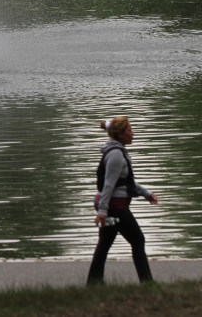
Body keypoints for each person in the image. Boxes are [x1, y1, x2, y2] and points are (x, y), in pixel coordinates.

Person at [86, 115, 159, 285]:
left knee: (105, 243)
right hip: (114, 207)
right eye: (130, 130)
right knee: (138, 240)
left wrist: (146, 193)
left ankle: (94, 283)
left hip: (112, 205)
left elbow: (126, 182)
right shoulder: (116, 155)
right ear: (120, 135)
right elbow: (109, 185)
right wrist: (103, 212)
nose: (133, 134)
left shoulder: (117, 152)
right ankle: (147, 282)